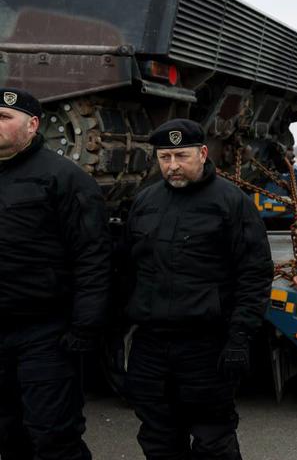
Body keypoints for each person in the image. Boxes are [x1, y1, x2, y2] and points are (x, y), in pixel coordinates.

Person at [123, 118, 273, 459]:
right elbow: (127, 271)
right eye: (165, 158)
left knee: (213, 440)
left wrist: (239, 339)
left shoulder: (231, 203)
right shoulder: (145, 202)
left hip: (206, 345)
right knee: (157, 437)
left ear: (202, 153)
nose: (172, 166)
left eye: (181, 156)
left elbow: (254, 275)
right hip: (152, 344)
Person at [0, 87, 111, 459]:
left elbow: (93, 256)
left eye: (3, 117)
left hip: (46, 333)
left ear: (32, 125)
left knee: (52, 435)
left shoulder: (64, 178)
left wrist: (85, 327)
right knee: (6, 432)